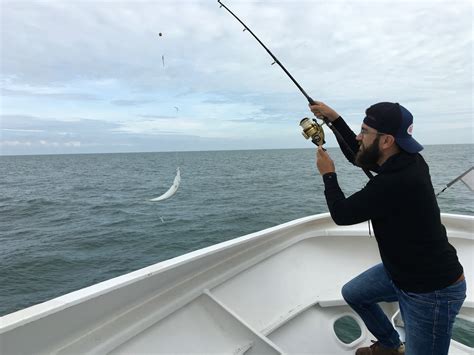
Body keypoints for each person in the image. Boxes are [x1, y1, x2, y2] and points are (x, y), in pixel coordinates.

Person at [309, 101, 466, 355]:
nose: (359, 137)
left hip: (432, 292)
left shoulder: (396, 181)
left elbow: (343, 214)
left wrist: (328, 175)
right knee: (354, 294)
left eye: (365, 131)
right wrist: (335, 119)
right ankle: (391, 346)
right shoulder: (405, 160)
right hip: (401, 273)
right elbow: (358, 155)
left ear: (386, 141)